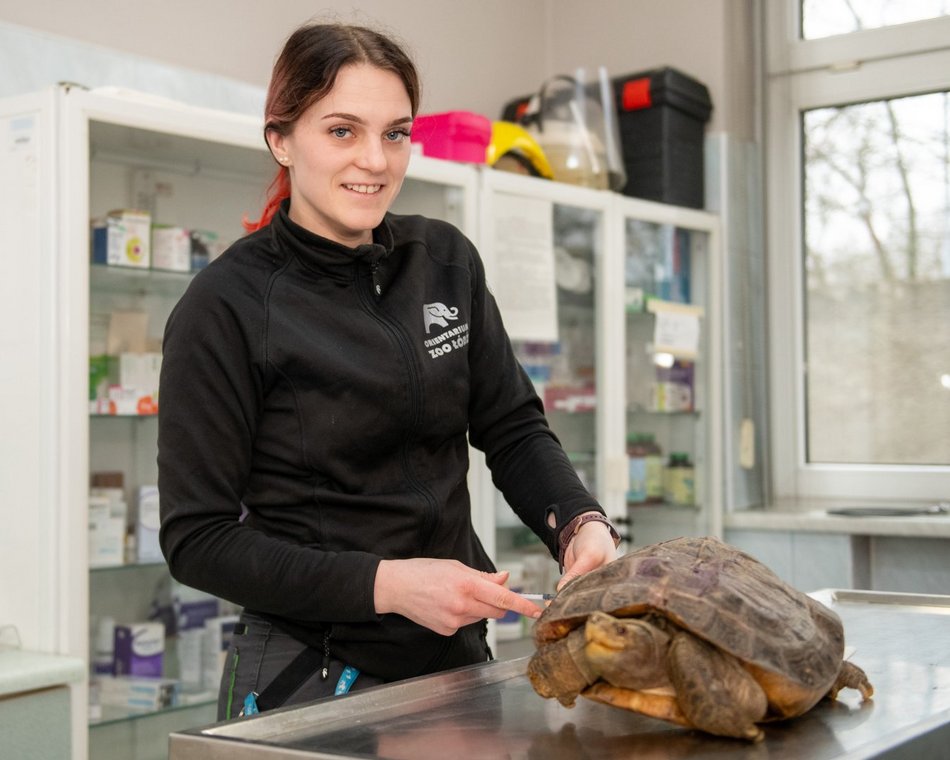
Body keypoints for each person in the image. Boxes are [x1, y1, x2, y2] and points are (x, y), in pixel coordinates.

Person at [157, 21, 620, 720]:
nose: (375, 160)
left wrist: (580, 523)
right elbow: (199, 540)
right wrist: (388, 585)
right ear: (281, 138)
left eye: (395, 133)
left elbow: (514, 428)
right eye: (342, 131)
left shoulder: (443, 262)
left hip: (454, 656)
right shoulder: (226, 304)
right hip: (306, 671)